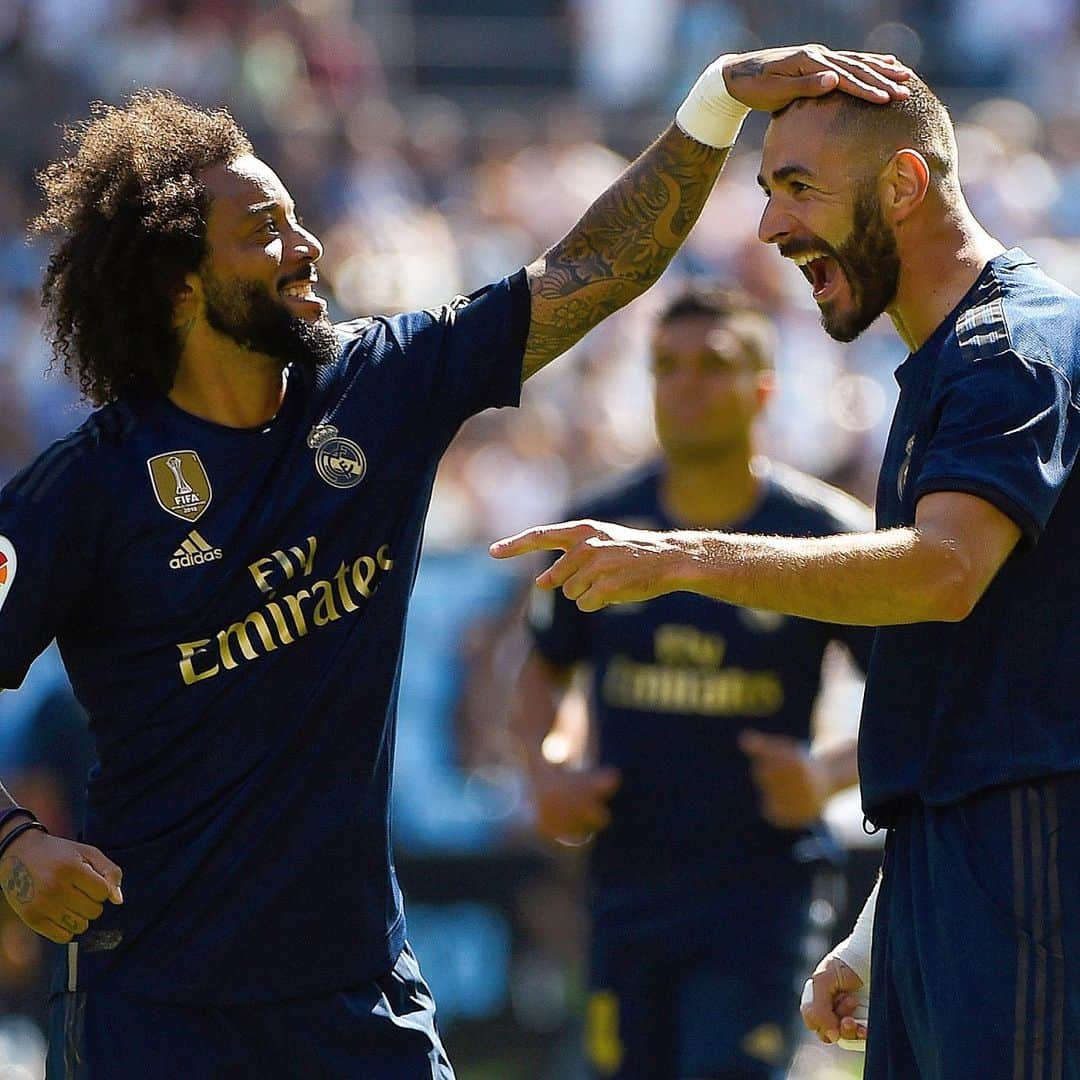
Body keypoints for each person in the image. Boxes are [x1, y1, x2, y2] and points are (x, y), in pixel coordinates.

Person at [0, 47, 911, 1079]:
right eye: (264, 233)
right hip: (163, 1007)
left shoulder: (382, 387)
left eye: (297, 217)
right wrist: (16, 844)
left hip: (357, 991)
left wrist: (713, 103)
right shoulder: (84, 491)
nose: (306, 246)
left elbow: (591, 270)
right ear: (177, 286)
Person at [491, 69, 1080, 1079]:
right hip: (950, 868)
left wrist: (683, 558)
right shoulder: (946, 365)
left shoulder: (1011, 349)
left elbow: (944, 576)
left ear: (902, 183)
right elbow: (970, 689)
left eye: (797, 187)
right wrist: (882, 920)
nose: (767, 227)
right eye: (766, 191)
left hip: (1023, 860)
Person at [512, 283, 873, 1080]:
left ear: (764, 389)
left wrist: (825, 775)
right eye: (666, 366)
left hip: (761, 891)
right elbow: (545, 673)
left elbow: (917, 694)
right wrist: (550, 768)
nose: (686, 384)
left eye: (712, 365)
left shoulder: (824, 534)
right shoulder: (604, 524)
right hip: (627, 886)